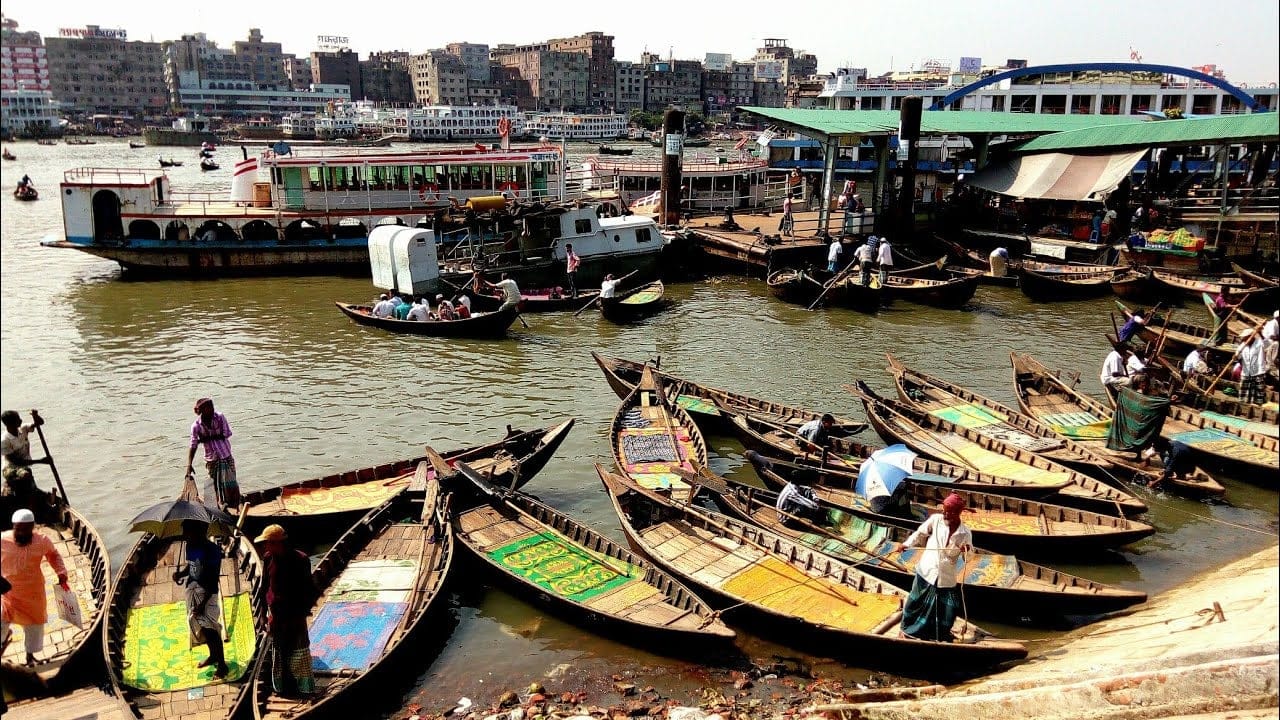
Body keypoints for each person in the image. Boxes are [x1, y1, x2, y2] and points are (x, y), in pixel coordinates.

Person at [898, 492, 972, 642]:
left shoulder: (965, 533)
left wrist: (967, 549)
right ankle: (906, 630)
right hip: (927, 571)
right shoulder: (936, 520)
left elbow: (968, 558)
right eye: (944, 510)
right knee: (915, 602)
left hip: (946, 578)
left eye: (949, 512)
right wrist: (906, 544)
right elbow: (919, 534)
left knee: (947, 610)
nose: (944, 513)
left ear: (957, 513)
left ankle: (936, 635)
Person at [1, 508, 68, 667]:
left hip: (33, 592)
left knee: (34, 626)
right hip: (7, 592)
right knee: (1, 620)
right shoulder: (2, 539)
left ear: (33, 527)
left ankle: (30, 657)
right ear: (13, 527)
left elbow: (54, 555)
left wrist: (61, 573)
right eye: (19, 529)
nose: (22, 533)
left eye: (26, 529)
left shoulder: (42, 541)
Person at [255, 524, 317, 698]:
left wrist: (302, 612)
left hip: (295, 615)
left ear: (277, 543)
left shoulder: (301, 560)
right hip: (276, 616)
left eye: (267, 543)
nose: (265, 547)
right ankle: (285, 689)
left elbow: (308, 590)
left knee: (297, 652)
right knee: (280, 652)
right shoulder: (268, 558)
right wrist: (263, 614)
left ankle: (303, 689)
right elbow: (264, 587)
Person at [173, 520, 227, 678]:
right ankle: (213, 656)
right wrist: (180, 574)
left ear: (198, 532)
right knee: (202, 628)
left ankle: (222, 665)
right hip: (193, 588)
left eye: (186, 532)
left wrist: (203, 605)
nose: (184, 535)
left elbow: (212, 579)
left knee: (211, 630)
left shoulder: (212, 551)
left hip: (207, 594)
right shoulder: (190, 546)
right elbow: (191, 566)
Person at [186, 398, 241, 508]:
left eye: (212, 407)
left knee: (231, 483)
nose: (212, 410)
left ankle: (233, 505)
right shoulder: (196, 426)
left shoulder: (219, 417)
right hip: (212, 459)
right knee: (212, 486)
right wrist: (189, 464)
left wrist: (206, 438)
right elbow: (193, 445)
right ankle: (214, 508)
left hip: (226, 455)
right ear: (202, 410)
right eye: (209, 408)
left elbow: (227, 433)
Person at [2, 410, 51, 513]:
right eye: (17, 419)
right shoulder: (4, 440)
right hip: (11, 467)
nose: (21, 420)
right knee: (25, 474)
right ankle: (30, 500)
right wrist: (41, 461)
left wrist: (36, 416)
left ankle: (34, 495)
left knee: (26, 474)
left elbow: (39, 423)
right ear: (10, 424)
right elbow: (17, 461)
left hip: (24, 465)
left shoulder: (22, 429)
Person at [1235, 329, 1268, 404]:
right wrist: (1235, 357)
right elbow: (1238, 356)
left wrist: (1260, 333)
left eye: (1245, 337)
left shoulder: (1259, 342)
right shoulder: (1242, 345)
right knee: (1244, 388)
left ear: (1251, 337)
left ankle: (1258, 404)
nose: (1243, 339)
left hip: (1258, 370)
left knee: (1259, 389)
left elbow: (1267, 343)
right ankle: (1243, 403)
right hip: (1246, 370)